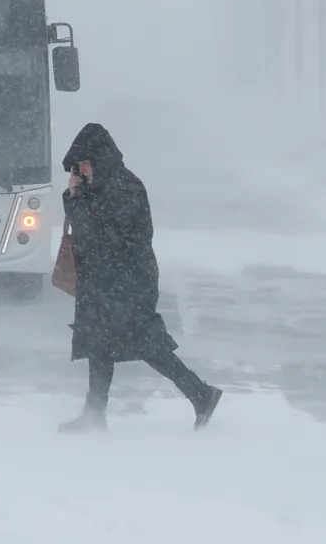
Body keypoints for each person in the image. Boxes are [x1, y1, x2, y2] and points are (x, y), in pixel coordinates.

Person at [57, 122, 222, 433]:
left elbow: (101, 235)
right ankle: (94, 414)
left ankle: (201, 394)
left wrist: (81, 200)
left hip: (127, 282)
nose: (80, 171)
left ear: (97, 158)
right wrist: (75, 195)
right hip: (106, 281)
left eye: (83, 165)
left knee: (147, 345)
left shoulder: (123, 187)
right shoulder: (101, 188)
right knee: (99, 344)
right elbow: (83, 229)